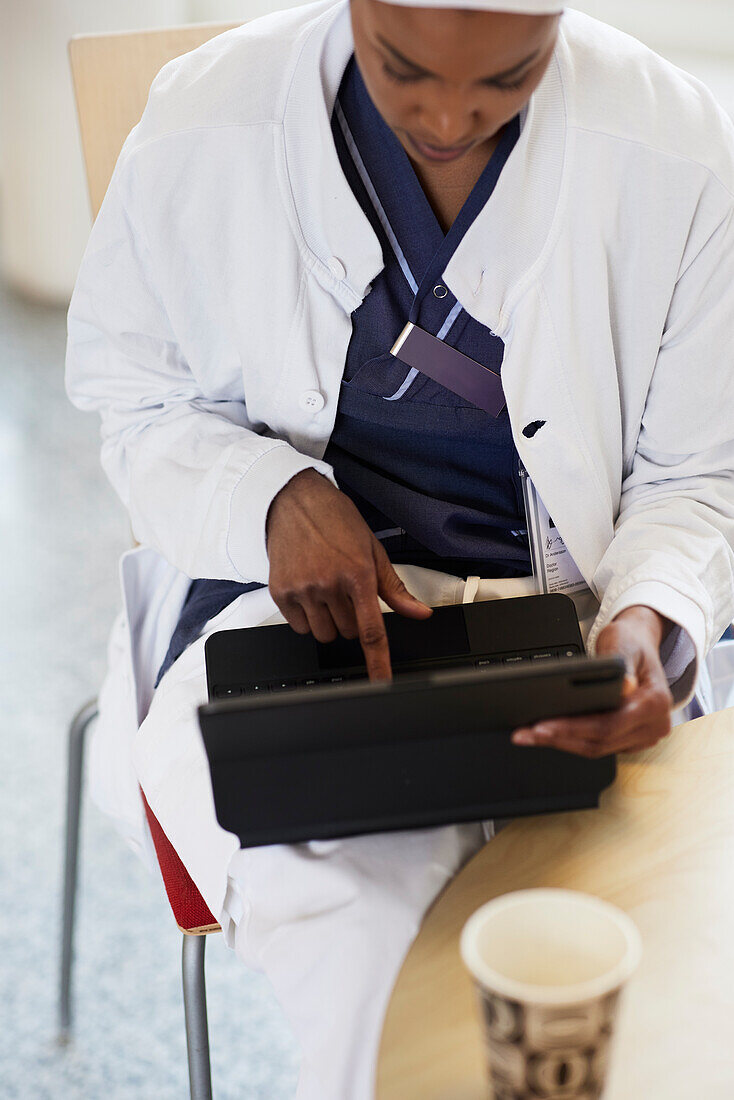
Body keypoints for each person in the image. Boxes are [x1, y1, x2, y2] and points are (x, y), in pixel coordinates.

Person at [66, 0, 734, 1095]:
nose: (449, 117)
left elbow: (695, 474)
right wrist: (272, 495)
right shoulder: (207, 121)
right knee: (371, 946)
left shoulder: (673, 148)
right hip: (278, 620)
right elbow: (133, 404)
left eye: (508, 76)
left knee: (626, 964)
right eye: (403, 68)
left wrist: (649, 612)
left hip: (561, 615)